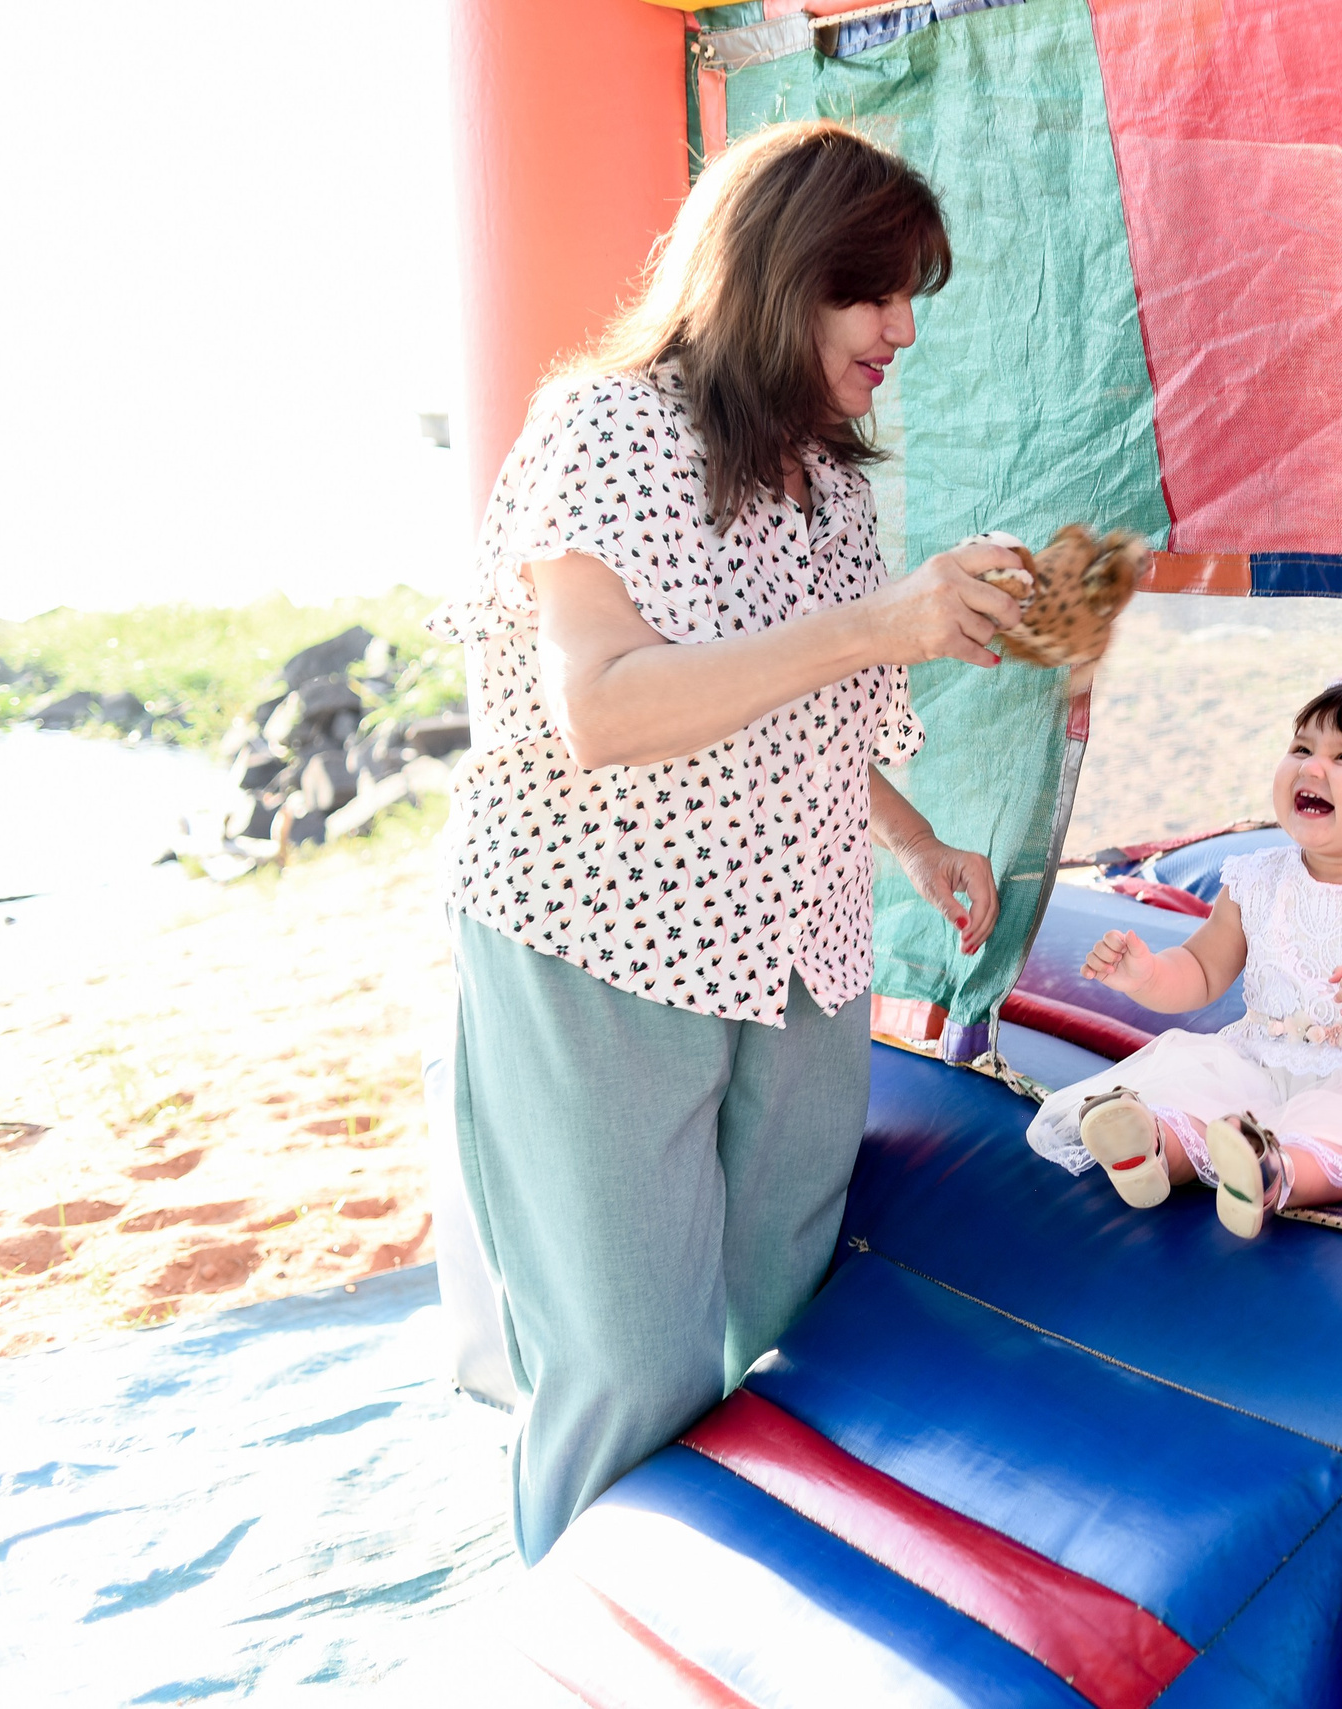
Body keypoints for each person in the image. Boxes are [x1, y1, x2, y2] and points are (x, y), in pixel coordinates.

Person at [427, 120, 1027, 1564]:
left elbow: (805, 696)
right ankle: (593, 1646)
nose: (901, 330)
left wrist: (917, 842)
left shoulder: (828, 482)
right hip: (603, 942)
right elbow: (609, 710)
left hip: (796, 947)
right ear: (776, 276)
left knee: (787, 1313)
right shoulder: (605, 429)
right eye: (870, 293)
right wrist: (888, 622)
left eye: (910, 296)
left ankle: (752, 1623)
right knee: (630, 1363)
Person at [1024, 669, 1342, 1237]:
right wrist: (1144, 974)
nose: (1310, 767)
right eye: (1300, 747)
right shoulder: (1256, 878)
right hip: (1260, 1060)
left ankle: (1277, 1173)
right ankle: (1149, 1149)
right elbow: (1199, 970)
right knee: (1199, 1099)